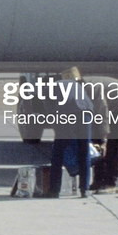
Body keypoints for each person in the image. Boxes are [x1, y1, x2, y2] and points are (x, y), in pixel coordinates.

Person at [47, 67, 94, 198]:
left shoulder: (51, 86)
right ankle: (85, 189)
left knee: (58, 153)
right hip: (85, 115)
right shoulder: (80, 86)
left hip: (67, 115)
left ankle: (54, 190)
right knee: (84, 152)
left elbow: (50, 109)